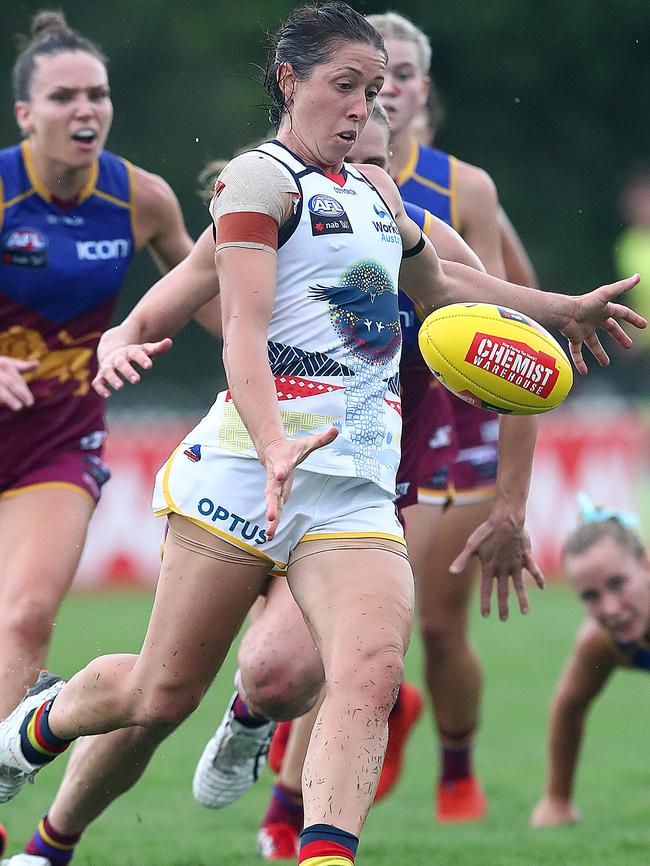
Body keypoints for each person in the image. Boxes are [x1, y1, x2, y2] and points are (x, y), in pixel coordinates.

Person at [0, 8, 643, 866]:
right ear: (289, 82)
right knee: (159, 694)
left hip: (353, 485)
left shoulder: (379, 193)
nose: (363, 108)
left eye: (373, 91)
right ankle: (34, 728)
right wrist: (266, 440)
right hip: (244, 471)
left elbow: (446, 286)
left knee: (370, 677)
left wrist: (562, 311)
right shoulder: (259, 183)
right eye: (345, 86)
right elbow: (240, 330)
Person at [361, 10, 540, 822]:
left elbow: (517, 333)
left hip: (456, 416)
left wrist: (514, 503)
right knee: (356, 627)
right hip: (364, 413)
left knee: (436, 623)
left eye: (400, 75)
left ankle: (458, 772)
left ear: (422, 89)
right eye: (372, 75)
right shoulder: (306, 175)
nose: (386, 89)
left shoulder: (463, 189)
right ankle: (383, 709)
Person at [0, 12, 193, 723]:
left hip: (54, 440)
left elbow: (205, 288)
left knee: (23, 618)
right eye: (62, 96)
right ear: (25, 115)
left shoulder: (139, 197)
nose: (85, 108)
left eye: (98, 93)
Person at [530, 496, 650, 828]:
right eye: (590, 596)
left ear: (645, 564)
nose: (610, 609)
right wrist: (556, 800)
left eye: (617, 584)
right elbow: (570, 705)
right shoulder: (601, 641)